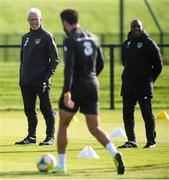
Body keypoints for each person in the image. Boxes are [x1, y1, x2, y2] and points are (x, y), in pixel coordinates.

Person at [51, 9, 125, 175]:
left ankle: (61, 166)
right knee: (95, 127)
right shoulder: (93, 37)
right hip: (93, 84)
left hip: (76, 86)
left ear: (64, 22)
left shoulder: (70, 40)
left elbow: (69, 67)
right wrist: (90, 78)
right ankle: (115, 152)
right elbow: (101, 64)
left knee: (63, 124)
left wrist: (67, 92)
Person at [15, 8, 59, 146]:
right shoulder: (25, 37)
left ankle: (50, 137)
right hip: (26, 81)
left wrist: (46, 78)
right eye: (31, 19)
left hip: (41, 81)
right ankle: (31, 137)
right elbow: (23, 60)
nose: (34, 21)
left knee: (46, 108)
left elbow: (55, 60)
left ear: (41, 19)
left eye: (36, 19)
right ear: (28, 20)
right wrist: (22, 77)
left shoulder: (47, 36)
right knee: (29, 109)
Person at [118, 20, 163, 149]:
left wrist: (149, 79)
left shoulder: (148, 43)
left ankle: (151, 141)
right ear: (130, 28)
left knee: (146, 113)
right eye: (133, 26)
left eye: (138, 26)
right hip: (128, 85)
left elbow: (158, 66)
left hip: (143, 85)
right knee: (127, 114)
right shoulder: (126, 44)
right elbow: (124, 62)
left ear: (142, 28)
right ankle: (131, 141)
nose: (136, 28)